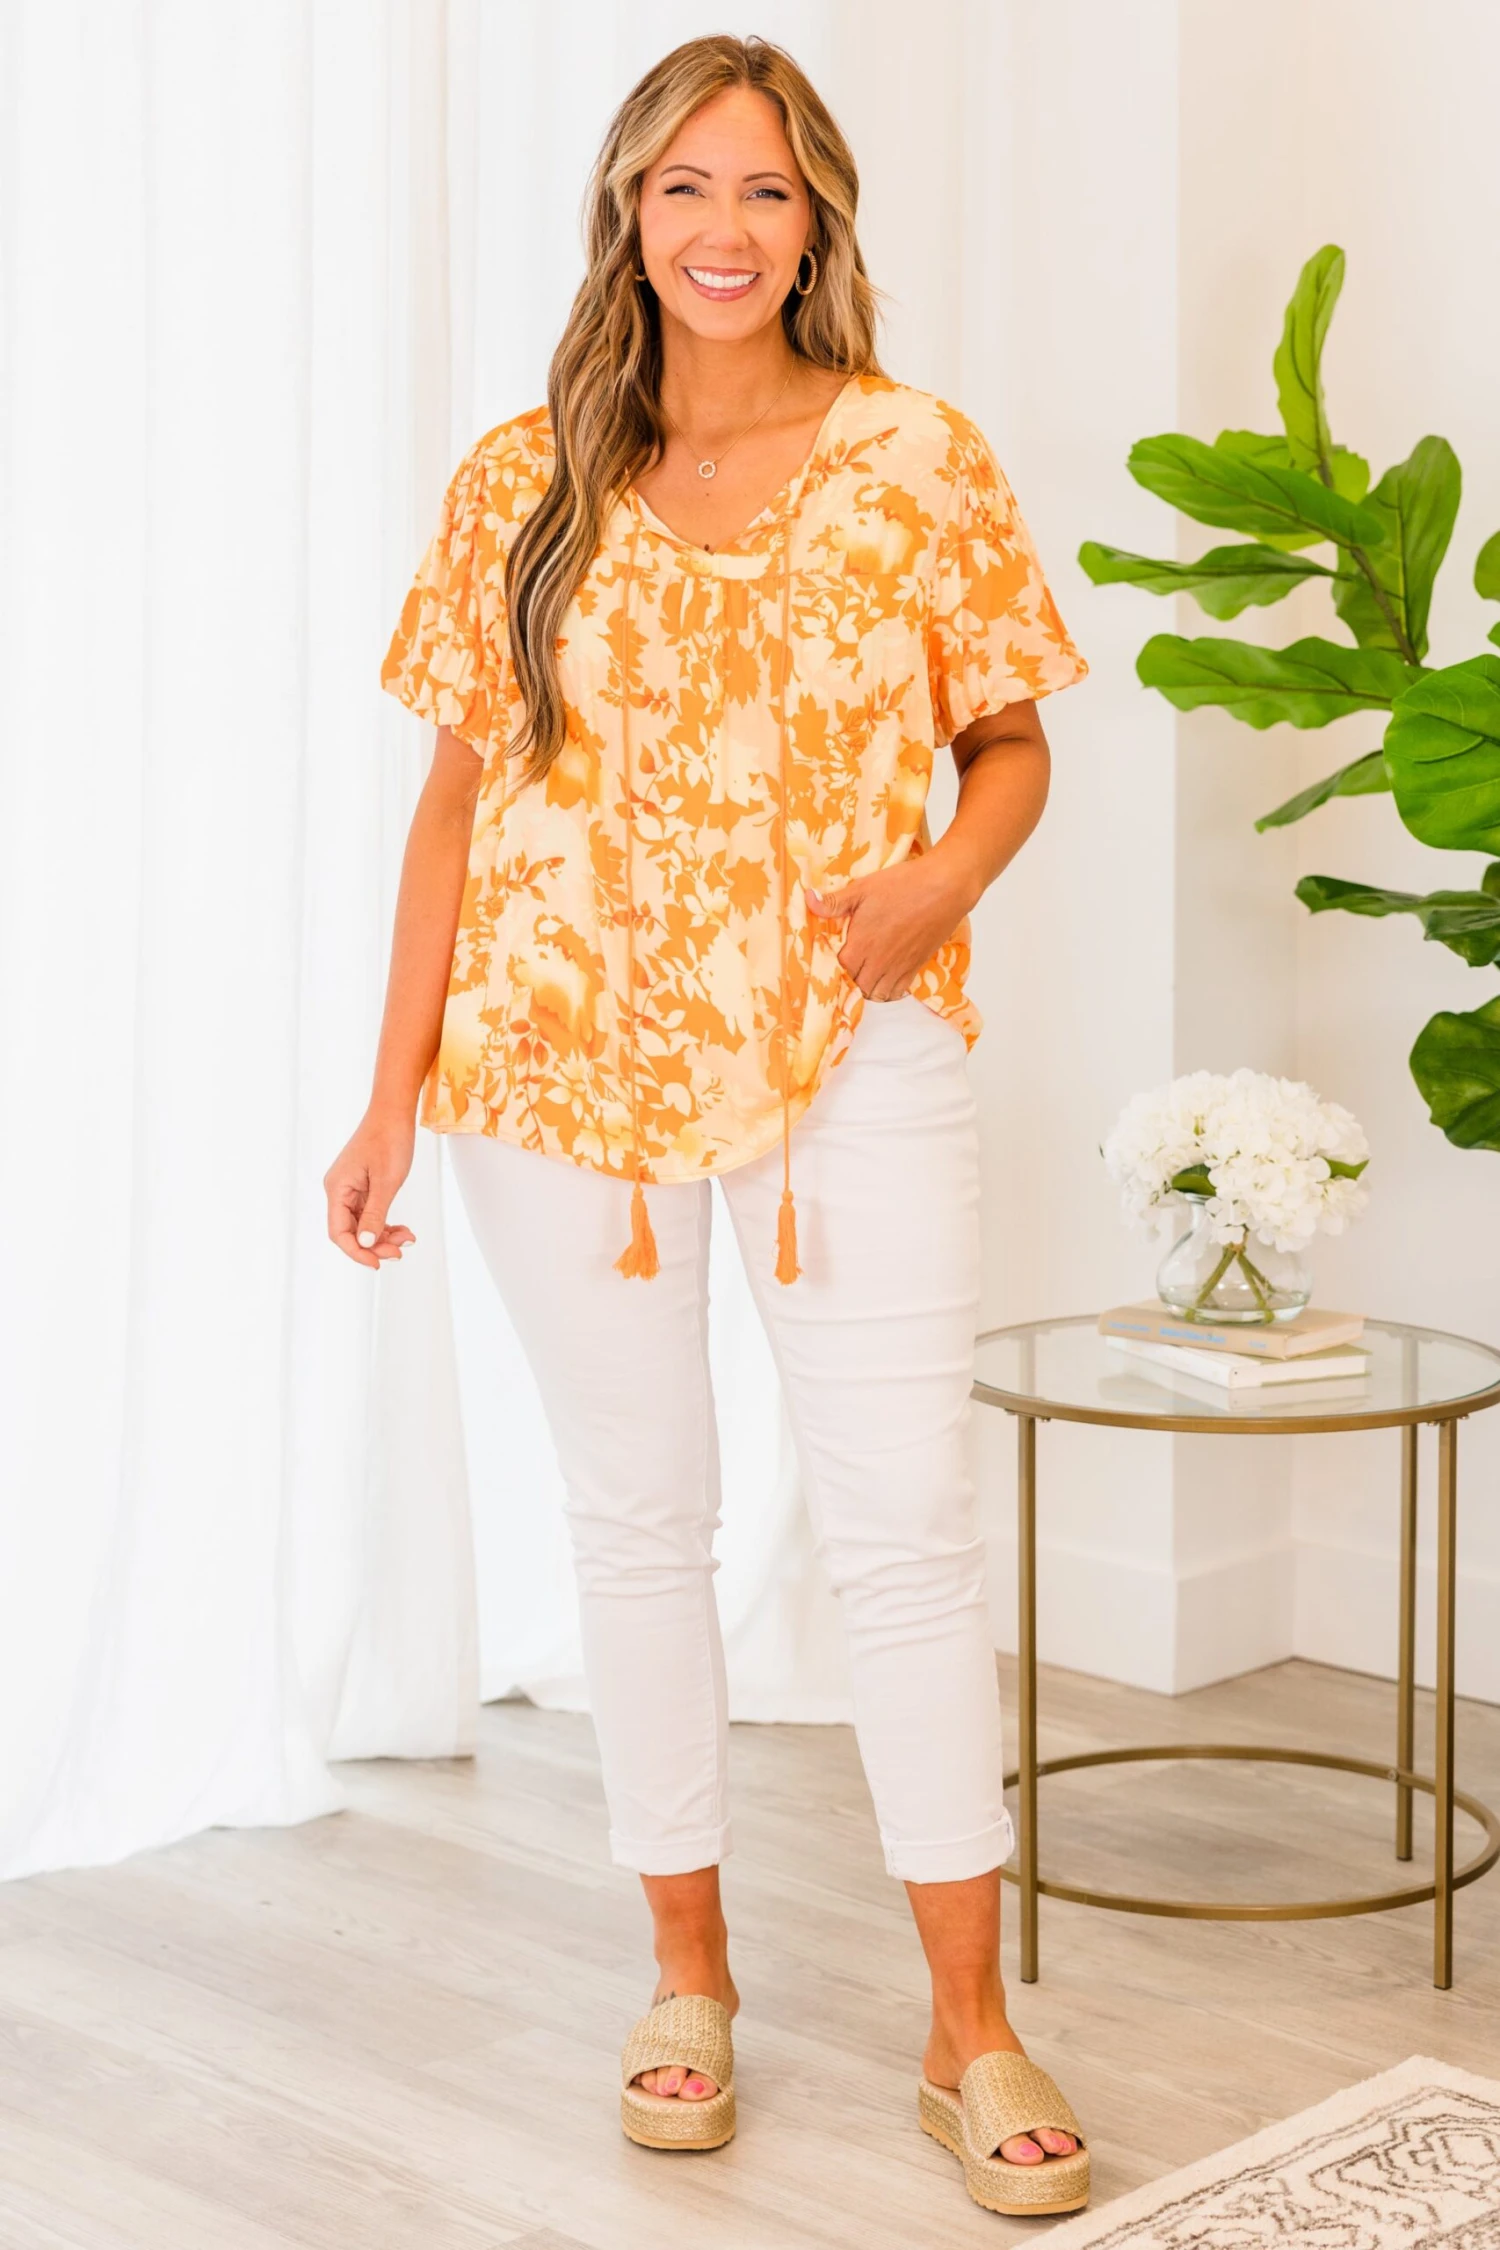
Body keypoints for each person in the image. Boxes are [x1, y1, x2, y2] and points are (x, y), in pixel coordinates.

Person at [324, 31, 1090, 2223]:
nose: (725, 229)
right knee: (637, 1522)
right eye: (685, 188)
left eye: (764, 189)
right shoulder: (526, 475)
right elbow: (454, 804)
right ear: (629, 215)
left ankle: (970, 2028)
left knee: (905, 1527)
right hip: (550, 1071)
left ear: (817, 216)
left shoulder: (918, 456)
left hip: (857, 1044)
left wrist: (935, 886)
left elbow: (1012, 743)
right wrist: (386, 1095)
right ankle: (687, 1979)